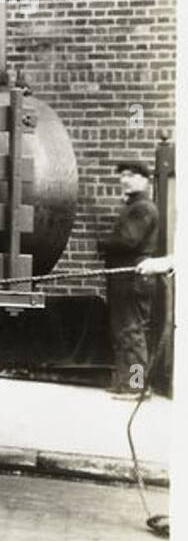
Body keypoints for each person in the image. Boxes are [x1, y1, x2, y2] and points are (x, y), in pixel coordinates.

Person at [97, 160, 160, 397]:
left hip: (132, 276)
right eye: (122, 175)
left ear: (144, 179)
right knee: (124, 330)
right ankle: (127, 382)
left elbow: (128, 241)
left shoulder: (141, 208)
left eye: (131, 175)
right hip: (128, 276)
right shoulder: (135, 206)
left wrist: (101, 243)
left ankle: (136, 386)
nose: (125, 179)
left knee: (131, 331)